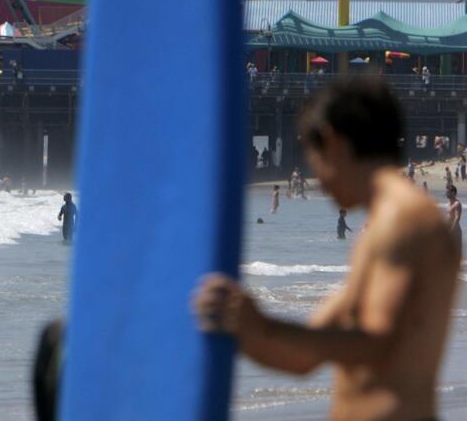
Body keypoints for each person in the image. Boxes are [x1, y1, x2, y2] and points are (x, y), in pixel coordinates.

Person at [193, 78, 459, 421]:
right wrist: (243, 328)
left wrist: (263, 327)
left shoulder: (404, 220)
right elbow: (304, 357)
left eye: (311, 155)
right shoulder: (382, 230)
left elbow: (375, 343)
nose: (317, 177)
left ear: (332, 143)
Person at [448, 185, 462, 259]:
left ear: (453, 193)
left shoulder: (457, 204)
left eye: (448, 192)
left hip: (455, 231)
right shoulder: (449, 204)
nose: (446, 193)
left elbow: (457, 218)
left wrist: (451, 230)